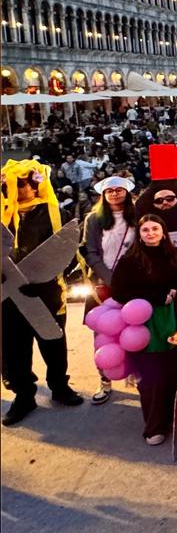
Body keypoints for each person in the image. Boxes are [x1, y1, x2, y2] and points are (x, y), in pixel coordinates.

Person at [1, 160, 82, 426]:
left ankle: (59, 387)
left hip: (46, 293)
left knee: (53, 343)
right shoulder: (1, 214)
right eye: (9, 184)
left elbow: (69, 253)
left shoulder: (56, 214)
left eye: (20, 183)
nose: (14, 188)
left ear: (36, 185)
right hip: (8, 297)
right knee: (14, 348)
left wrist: (42, 276)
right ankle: (24, 395)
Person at [109, 214, 177, 445]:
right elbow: (119, 292)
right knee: (152, 378)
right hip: (143, 327)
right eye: (146, 230)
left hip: (173, 323)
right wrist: (154, 297)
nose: (151, 233)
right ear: (140, 234)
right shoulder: (129, 260)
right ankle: (154, 427)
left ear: (163, 232)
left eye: (155, 229)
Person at [81, 175, 138, 405]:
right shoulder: (93, 219)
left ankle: (137, 375)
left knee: (135, 330)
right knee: (103, 333)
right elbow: (90, 252)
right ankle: (105, 379)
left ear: (127, 192)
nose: (115, 194)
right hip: (102, 284)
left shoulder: (138, 216)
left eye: (119, 189)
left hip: (133, 283)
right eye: (110, 191)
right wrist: (111, 279)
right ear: (103, 195)